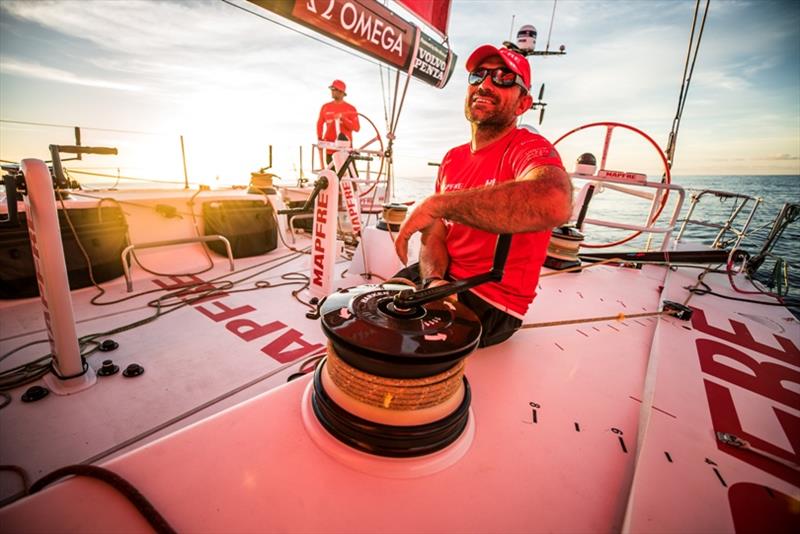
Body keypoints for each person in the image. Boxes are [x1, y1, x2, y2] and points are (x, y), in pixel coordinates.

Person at [393, 44, 573, 348]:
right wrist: (435, 278)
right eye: (478, 75)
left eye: (503, 78)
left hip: (492, 300)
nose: (485, 85)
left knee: (392, 343)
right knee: (370, 304)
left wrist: (436, 203)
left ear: (523, 104)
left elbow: (554, 200)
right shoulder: (452, 158)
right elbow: (436, 232)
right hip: (443, 275)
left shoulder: (526, 147)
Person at [316, 79, 360, 164]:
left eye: (334, 89)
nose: (332, 91)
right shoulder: (325, 107)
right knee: (331, 176)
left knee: (350, 177)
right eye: (331, 89)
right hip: (330, 149)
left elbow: (356, 128)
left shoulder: (351, 109)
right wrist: (320, 138)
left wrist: (343, 118)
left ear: (341, 92)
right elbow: (320, 123)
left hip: (346, 151)